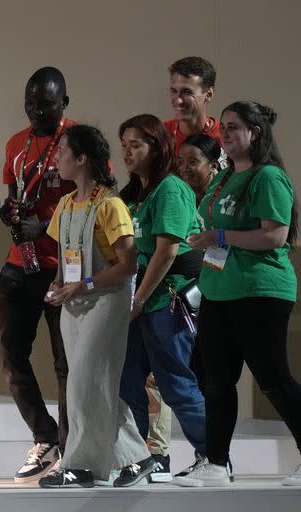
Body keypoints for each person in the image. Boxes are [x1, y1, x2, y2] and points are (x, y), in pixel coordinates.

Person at [176, 101, 301, 487]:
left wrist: (220, 237)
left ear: (256, 133)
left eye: (234, 128)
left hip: (260, 290)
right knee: (215, 379)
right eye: (224, 128)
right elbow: (215, 231)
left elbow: (275, 236)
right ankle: (216, 462)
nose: (226, 134)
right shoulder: (222, 178)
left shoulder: (268, 178)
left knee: (272, 379)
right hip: (219, 291)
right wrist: (206, 245)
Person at [37, 124, 156, 488]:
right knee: (90, 384)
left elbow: (129, 266)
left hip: (106, 300)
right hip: (74, 303)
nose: (56, 159)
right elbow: (65, 258)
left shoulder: (111, 206)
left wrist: (83, 285)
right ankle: (137, 457)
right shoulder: (65, 204)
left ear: (82, 158)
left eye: (62, 153)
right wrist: (58, 287)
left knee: (83, 384)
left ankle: (77, 463)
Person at [117, 114, 208, 480]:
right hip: (144, 304)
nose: (127, 152)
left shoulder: (170, 188)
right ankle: (138, 456)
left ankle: (213, 456)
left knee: (176, 384)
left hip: (165, 303)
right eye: (123, 146)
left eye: (135, 145)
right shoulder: (139, 193)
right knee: (128, 381)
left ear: (157, 148)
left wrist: (137, 301)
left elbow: (167, 251)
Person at [144, 56, 221, 481]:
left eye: (187, 91)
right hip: (175, 267)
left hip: (217, 263)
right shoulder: (164, 137)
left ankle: (215, 455)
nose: (178, 99)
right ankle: (158, 454)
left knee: (206, 370)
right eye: (173, 90)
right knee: (160, 371)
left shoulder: (224, 138)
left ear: (208, 94)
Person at [0, 66, 74, 483]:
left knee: (66, 364)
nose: (35, 111)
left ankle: (70, 445)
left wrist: (45, 228)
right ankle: (44, 437)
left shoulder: (77, 140)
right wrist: (9, 210)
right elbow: (15, 195)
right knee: (10, 355)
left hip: (65, 267)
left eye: (44, 104)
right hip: (19, 262)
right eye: (29, 104)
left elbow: (95, 200)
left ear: (64, 102)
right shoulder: (16, 143)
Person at [180, 134, 221, 205]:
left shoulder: (224, 197)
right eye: (180, 162)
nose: (183, 168)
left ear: (213, 166)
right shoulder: (177, 192)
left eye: (192, 162)